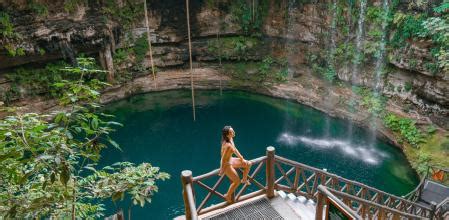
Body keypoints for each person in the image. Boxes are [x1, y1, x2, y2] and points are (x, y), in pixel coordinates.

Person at [219, 126, 252, 203]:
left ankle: (244, 179)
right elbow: (223, 158)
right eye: (231, 132)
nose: (234, 132)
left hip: (230, 159)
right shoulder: (227, 146)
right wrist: (221, 170)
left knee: (248, 164)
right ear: (227, 135)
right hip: (226, 164)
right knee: (237, 182)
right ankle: (228, 195)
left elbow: (235, 149)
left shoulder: (230, 139)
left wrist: (241, 158)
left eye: (233, 131)